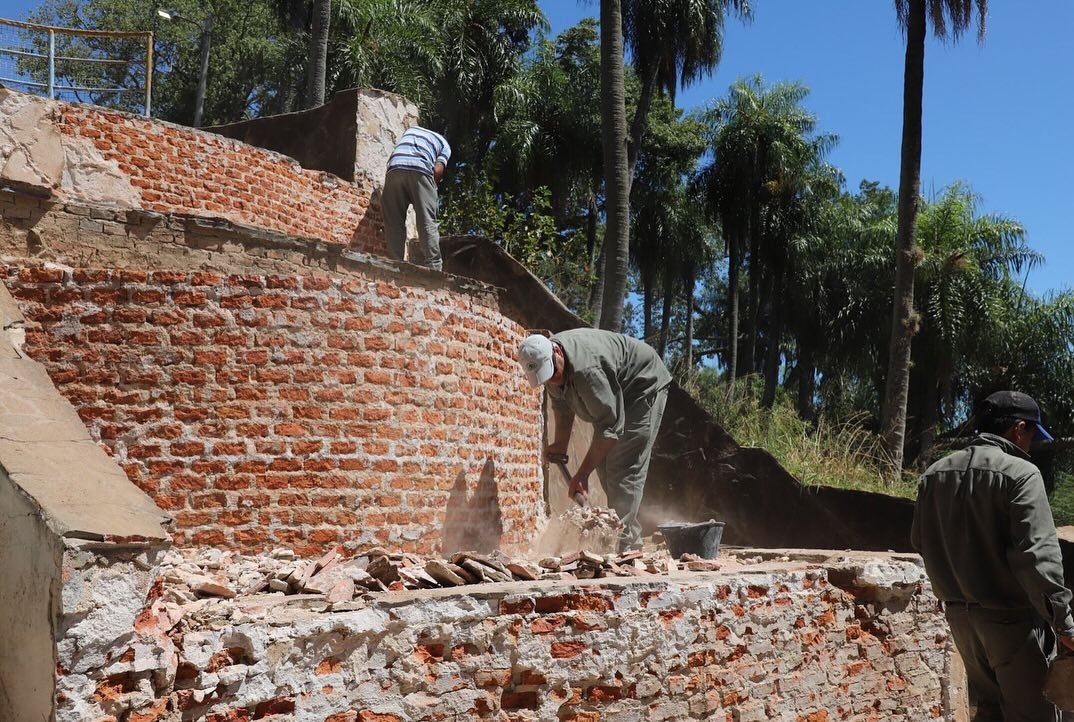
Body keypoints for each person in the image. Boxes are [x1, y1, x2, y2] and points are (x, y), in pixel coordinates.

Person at [912, 390, 1074, 722]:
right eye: (1031, 434)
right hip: (1012, 624)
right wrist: (1064, 623)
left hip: (962, 622)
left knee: (988, 712)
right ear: (1019, 428)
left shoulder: (933, 475)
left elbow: (920, 542)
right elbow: (1039, 559)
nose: (1030, 443)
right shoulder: (1021, 474)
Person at [517, 329, 672, 552]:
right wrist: (560, 444)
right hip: (618, 392)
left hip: (641, 386)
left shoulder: (588, 371)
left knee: (622, 467)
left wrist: (581, 475)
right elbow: (561, 405)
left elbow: (610, 427)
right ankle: (622, 537)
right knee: (605, 466)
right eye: (546, 377)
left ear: (557, 351)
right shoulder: (551, 369)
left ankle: (625, 548)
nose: (552, 380)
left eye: (554, 373)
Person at [381, 125, 451, 271]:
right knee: (426, 220)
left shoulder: (411, 130)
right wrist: (434, 186)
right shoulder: (445, 144)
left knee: (394, 221)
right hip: (421, 169)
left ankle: (395, 264)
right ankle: (434, 267)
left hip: (395, 168)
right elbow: (438, 169)